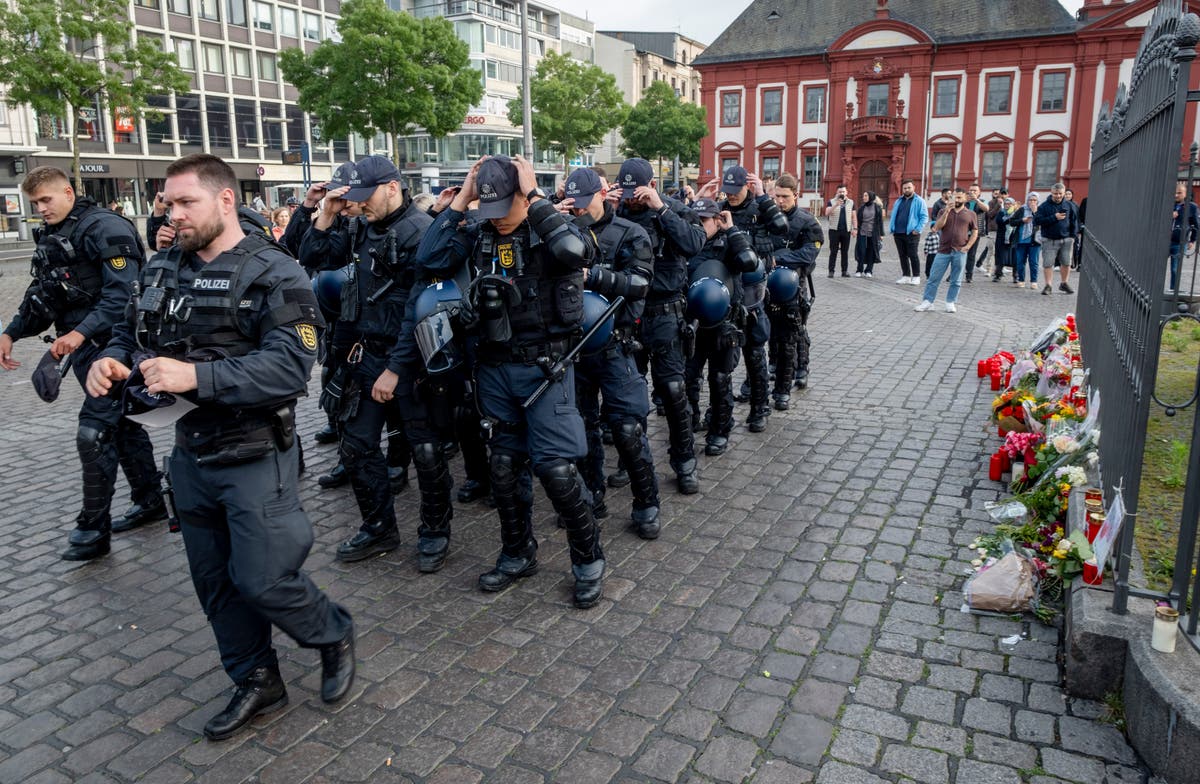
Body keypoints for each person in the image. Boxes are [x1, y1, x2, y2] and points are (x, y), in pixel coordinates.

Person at [84, 153, 354, 740]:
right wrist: (112, 362)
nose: (172, 214)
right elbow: (135, 337)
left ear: (225, 200)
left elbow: (290, 366)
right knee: (215, 582)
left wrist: (196, 378)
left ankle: (331, 631)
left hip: (256, 453)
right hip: (189, 456)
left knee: (264, 579)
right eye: (167, 203)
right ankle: (257, 679)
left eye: (186, 203)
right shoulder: (161, 270)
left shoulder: (275, 273)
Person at [416, 154, 608, 608]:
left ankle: (588, 558)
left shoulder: (552, 229)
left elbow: (575, 253)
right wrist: (463, 200)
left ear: (523, 195)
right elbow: (429, 260)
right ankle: (518, 552)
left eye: (505, 205)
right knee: (503, 468)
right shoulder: (480, 230)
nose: (496, 218)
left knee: (556, 471)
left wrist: (537, 196)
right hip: (496, 369)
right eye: (489, 207)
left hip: (547, 367)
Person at [0, 166, 162, 561]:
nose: (40, 209)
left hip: (116, 349)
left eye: (46, 200)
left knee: (93, 433)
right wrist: (11, 332)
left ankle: (92, 530)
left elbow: (125, 295)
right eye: (34, 203)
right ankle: (151, 501)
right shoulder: (54, 234)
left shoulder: (107, 228)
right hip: (87, 350)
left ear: (69, 192)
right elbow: (44, 294)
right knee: (122, 427)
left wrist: (81, 333)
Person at [300, 156, 445, 569]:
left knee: (427, 451)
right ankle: (379, 528)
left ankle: (435, 531)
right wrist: (325, 213)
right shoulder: (361, 227)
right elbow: (313, 255)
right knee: (357, 445)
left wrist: (396, 369)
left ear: (393, 187)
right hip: (365, 353)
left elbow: (419, 311)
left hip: (412, 358)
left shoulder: (422, 234)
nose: (360, 206)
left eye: (367, 198)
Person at [560, 167, 661, 540]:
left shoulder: (631, 233)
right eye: (574, 206)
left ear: (603, 194)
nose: (580, 212)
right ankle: (591, 496)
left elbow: (640, 283)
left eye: (585, 204)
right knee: (581, 431)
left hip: (616, 344)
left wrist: (593, 276)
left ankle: (646, 502)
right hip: (576, 349)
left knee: (628, 427)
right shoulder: (563, 231)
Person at [613, 157, 706, 494]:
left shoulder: (674, 209)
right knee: (628, 397)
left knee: (673, 391)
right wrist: (606, 212)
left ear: (650, 185)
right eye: (626, 192)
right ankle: (631, 460)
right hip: (628, 314)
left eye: (635, 192)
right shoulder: (618, 211)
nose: (631, 199)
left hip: (666, 313)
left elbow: (695, 243)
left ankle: (684, 461)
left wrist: (662, 211)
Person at [684, 198, 759, 455]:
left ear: (717, 219)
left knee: (720, 379)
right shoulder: (687, 243)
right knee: (688, 376)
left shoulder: (729, 243)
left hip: (724, 324)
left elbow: (749, 261)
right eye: (695, 220)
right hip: (693, 323)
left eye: (704, 220)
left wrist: (732, 230)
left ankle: (719, 429)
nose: (699, 226)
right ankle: (691, 419)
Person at [716, 165, 788, 433]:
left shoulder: (760, 207)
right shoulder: (721, 208)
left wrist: (764, 198)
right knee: (722, 351)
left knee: (755, 351)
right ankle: (719, 411)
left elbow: (782, 227)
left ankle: (760, 407)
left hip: (753, 289)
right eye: (728, 191)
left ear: (748, 186)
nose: (731, 196)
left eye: (736, 191)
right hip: (727, 285)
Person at [767, 173, 823, 402]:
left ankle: (801, 368)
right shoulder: (768, 218)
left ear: (795, 195)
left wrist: (781, 259)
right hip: (770, 281)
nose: (780, 201)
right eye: (777, 196)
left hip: (795, 281)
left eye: (785, 197)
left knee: (796, 326)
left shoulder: (807, 221)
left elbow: (810, 252)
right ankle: (774, 363)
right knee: (771, 325)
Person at [915, 186, 977, 313]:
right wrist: (947, 212)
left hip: (960, 251)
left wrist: (968, 246)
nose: (956, 199)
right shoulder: (943, 211)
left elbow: (975, 232)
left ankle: (950, 302)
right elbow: (936, 227)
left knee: (956, 280)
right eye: (954, 196)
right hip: (943, 250)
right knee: (933, 278)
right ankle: (928, 302)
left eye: (959, 197)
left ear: (965, 198)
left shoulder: (971, 214)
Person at [1034, 182, 1079, 295]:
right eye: (1055, 193)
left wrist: (1073, 236)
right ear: (1051, 193)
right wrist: (1054, 217)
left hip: (1067, 239)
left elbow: (1074, 221)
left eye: (1060, 193)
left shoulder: (1070, 205)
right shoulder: (1044, 206)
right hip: (1049, 239)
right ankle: (1048, 285)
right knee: (1048, 263)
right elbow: (1037, 221)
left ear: (1064, 193)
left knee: (1066, 262)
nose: (1058, 196)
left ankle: (1064, 283)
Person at [889, 179, 928, 285]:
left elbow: (924, 217)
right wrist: (892, 228)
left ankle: (916, 276)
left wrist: (918, 229)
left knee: (913, 254)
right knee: (902, 255)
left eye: (909, 187)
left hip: (912, 233)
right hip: (898, 232)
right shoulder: (899, 201)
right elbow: (894, 215)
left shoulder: (919, 200)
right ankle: (906, 275)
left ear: (913, 188)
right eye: (905, 188)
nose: (906, 190)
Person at [1169, 182, 1198, 292]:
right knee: (1157, 266)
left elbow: (1196, 225)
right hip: (1164, 241)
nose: (1176, 195)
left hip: (1179, 242)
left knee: (1175, 269)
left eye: (1179, 193)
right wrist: (1170, 216)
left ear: (1185, 194)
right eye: (1175, 193)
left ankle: (1173, 291)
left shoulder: (1192, 207)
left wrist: (1192, 240)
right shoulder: (1168, 204)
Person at [824, 185, 856, 277]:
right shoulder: (831, 201)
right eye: (840, 192)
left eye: (843, 192)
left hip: (846, 230)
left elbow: (854, 216)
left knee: (845, 252)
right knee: (833, 251)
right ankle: (831, 271)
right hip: (834, 230)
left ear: (846, 193)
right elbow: (827, 213)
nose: (841, 193)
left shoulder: (851, 202)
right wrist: (836, 204)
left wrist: (855, 228)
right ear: (837, 193)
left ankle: (844, 271)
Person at [1011, 194, 1042, 289]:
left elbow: (1043, 222)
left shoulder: (1040, 210)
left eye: (1034, 200)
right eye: (1030, 200)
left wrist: (1035, 212)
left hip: (1035, 241)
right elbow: (1012, 221)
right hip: (1021, 241)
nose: (1032, 202)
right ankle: (1021, 280)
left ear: (1037, 201)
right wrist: (1022, 220)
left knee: (1034, 262)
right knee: (1020, 262)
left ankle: (1034, 281)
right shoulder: (1022, 209)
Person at [854, 191, 885, 277]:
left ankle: (869, 270)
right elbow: (858, 220)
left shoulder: (877, 208)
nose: (864, 197)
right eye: (863, 195)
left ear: (871, 197)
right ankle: (859, 270)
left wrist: (881, 234)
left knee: (872, 251)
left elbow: (880, 222)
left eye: (866, 196)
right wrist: (856, 229)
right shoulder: (861, 208)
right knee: (861, 251)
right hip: (862, 233)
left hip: (873, 233)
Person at [964, 184, 989, 282]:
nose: (972, 192)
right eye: (971, 190)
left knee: (971, 254)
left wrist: (976, 200)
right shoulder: (965, 202)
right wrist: (965, 200)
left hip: (975, 232)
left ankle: (969, 275)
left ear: (979, 193)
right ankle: (954, 274)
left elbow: (986, 209)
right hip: (962, 231)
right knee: (959, 253)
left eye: (975, 191)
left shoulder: (982, 202)